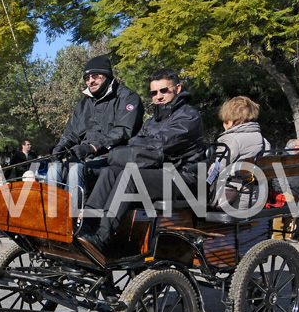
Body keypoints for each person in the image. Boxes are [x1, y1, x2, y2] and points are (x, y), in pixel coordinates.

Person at [76, 68, 204, 257]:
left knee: (131, 176)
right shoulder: (152, 121)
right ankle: (86, 228)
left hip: (184, 177)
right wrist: (123, 154)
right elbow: (134, 145)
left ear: (177, 88)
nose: (158, 96)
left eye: (164, 91)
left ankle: (102, 238)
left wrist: (121, 154)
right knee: (110, 171)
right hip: (159, 174)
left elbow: (156, 149)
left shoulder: (188, 117)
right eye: (154, 92)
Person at [47, 55, 144, 214]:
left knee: (75, 170)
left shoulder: (127, 97)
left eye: (95, 76)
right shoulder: (84, 102)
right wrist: (60, 147)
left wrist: (92, 147)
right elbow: (71, 132)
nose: (90, 81)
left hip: (113, 158)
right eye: (86, 78)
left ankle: (73, 222)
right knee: (54, 169)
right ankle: (52, 218)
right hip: (87, 159)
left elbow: (123, 130)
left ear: (107, 76)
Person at [211, 96, 271, 209]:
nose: (223, 125)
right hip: (257, 196)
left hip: (233, 198)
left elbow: (217, 168)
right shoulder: (264, 140)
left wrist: (204, 182)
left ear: (233, 120)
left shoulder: (231, 140)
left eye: (225, 121)